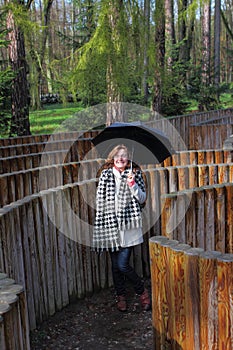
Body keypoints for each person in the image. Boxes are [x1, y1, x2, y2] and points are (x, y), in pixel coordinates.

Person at [93, 144, 150, 311]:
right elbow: (99, 199)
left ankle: (142, 291)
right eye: (117, 155)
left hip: (129, 226)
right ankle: (121, 295)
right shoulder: (105, 175)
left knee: (122, 264)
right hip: (111, 225)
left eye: (124, 155)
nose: (120, 159)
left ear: (128, 159)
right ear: (113, 158)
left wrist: (132, 184)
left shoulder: (135, 174)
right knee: (115, 266)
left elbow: (142, 199)